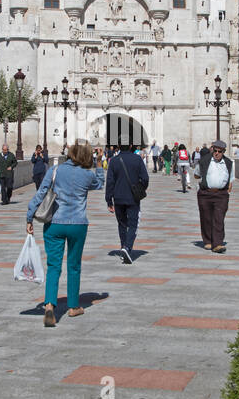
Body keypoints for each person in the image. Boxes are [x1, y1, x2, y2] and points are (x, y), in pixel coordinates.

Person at [27, 140, 105, 327]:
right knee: (74, 265)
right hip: (78, 223)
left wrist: (29, 217)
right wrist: (100, 162)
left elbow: (40, 193)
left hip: (54, 223)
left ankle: (49, 305)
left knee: (53, 265)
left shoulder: (55, 170)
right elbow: (100, 183)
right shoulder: (87, 175)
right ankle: (73, 306)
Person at [106, 141, 150, 264]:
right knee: (133, 223)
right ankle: (127, 247)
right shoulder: (137, 159)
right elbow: (145, 178)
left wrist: (109, 200)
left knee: (122, 224)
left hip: (118, 197)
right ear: (131, 146)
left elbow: (110, 181)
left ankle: (123, 246)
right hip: (133, 197)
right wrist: (141, 188)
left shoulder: (114, 160)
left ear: (118, 146)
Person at [196, 139, 234, 252]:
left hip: (221, 194)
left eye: (220, 151)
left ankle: (217, 243)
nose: (217, 153)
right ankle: (208, 241)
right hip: (205, 193)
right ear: (212, 150)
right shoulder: (204, 161)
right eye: (215, 151)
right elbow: (196, 175)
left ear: (223, 152)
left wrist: (228, 192)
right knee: (206, 217)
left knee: (219, 218)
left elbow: (231, 179)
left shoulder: (228, 163)